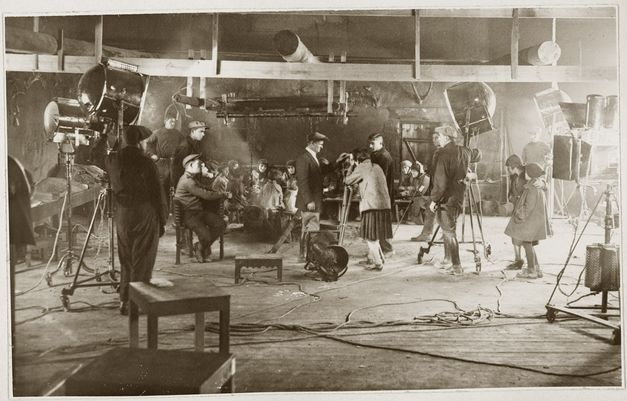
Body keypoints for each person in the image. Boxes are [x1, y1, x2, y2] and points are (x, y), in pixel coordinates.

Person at [105, 125, 167, 315]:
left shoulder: (111, 160)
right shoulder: (146, 162)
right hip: (143, 213)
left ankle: (124, 299)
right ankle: (136, 302)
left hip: (122, 214)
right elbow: (157, 192)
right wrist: (162, 219)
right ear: (140, 142)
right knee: (142, 257)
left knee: (126, 258)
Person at [429, 125, 470, 275]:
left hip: (447, 198)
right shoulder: (463, 151)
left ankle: (457, 266)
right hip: (459, 196)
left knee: (449, 232)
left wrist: (434, 200)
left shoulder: (443, 155)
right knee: (448, 229)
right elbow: (476, 155)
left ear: (446, 137)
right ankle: (447, 260)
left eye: (438, 135)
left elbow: (441, 182)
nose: (437, 138)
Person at [174, 154, 229, 263]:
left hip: (199, 212)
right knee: (206, 236)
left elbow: (205, 188)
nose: (201, 166)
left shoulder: (192, 178)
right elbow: (205, 195)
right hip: (189, 215)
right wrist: (223, 194)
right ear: (190, 165)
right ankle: (200, 247)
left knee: (221, 224)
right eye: (198, 164)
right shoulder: (187, 181)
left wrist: (217, 192)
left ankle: (199, 246)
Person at [345, 149, 393, 271]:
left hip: (372, 206)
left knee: (370, 237)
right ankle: (380, 259)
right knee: (376, 235)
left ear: (357, 160)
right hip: (384, 206)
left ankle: (378, 263)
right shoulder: (377, 166)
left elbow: (347, 181)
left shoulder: (361, 167)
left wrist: (351, 166)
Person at [505, 163, 553, 279]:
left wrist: (519, 214)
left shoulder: (532, 187)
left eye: (526, 172)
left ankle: (531, 270)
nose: (524, 173)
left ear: (530, 174)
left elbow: (528, 207)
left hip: (530, 220)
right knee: (528, 243)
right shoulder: (535, 185)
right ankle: (536, 268)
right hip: (534, 220)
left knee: (526, 243)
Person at [295, 131, 329, 261]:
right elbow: (303, 182)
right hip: (309, 201)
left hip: (314, 200)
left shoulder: (313, 157)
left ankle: (307, 255)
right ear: (311, 143)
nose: (322, 147)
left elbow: (318, 175)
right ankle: (306, 256)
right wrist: (309, 200)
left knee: (311, 229)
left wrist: (335, 163)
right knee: (310, 229)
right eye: (320, 144)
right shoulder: (304, 158)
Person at [144, 114, 186, 214]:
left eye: (174, 122)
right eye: (171, 121)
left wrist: (178, 156)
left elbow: (184, 145)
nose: (173, 123)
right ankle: (163, 210)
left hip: (173, 163)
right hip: (161, 163)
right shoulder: (157, 132)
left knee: (177, 185)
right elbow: (148, 144)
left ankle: (176, 211)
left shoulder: (177, 134)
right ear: (165, 121)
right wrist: (152, 155)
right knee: (163, 187)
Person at [411, 131, 442, 241]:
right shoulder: (436, 152)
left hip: (442, 186)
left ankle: (441, 234)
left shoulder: (445, 152)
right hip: (435, 186)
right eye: (433, 138)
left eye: (437, 137)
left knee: (441, 211)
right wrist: (424, 169)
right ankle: (427, 233)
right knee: (431, 210)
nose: (434, 140)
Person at [368, 133, 394, 254]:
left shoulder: (384, 156)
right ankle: (379, 249)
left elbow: (380, 178)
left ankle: (387, 249)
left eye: (373, 143)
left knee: (382, 222)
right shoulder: (375, 154)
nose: (370, 145)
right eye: (370, 143)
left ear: (380, 142)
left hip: (383, 193)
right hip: (376, 193)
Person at [504, 154, 527, 270]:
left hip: (524, 210)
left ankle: (531, 263)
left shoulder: (525, 177)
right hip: (517, 209)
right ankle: (518, 259)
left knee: (526, 238)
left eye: (508, 168)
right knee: (514, 234)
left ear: (514, 166)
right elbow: (512, 194)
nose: (507, 170)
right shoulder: (514, 178)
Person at [172, 120, 209, 185]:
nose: (203, 134)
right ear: (192, 131)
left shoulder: (196, 143)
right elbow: (178, 169)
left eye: (204, 132)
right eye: (201, 131)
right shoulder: (185, 146)